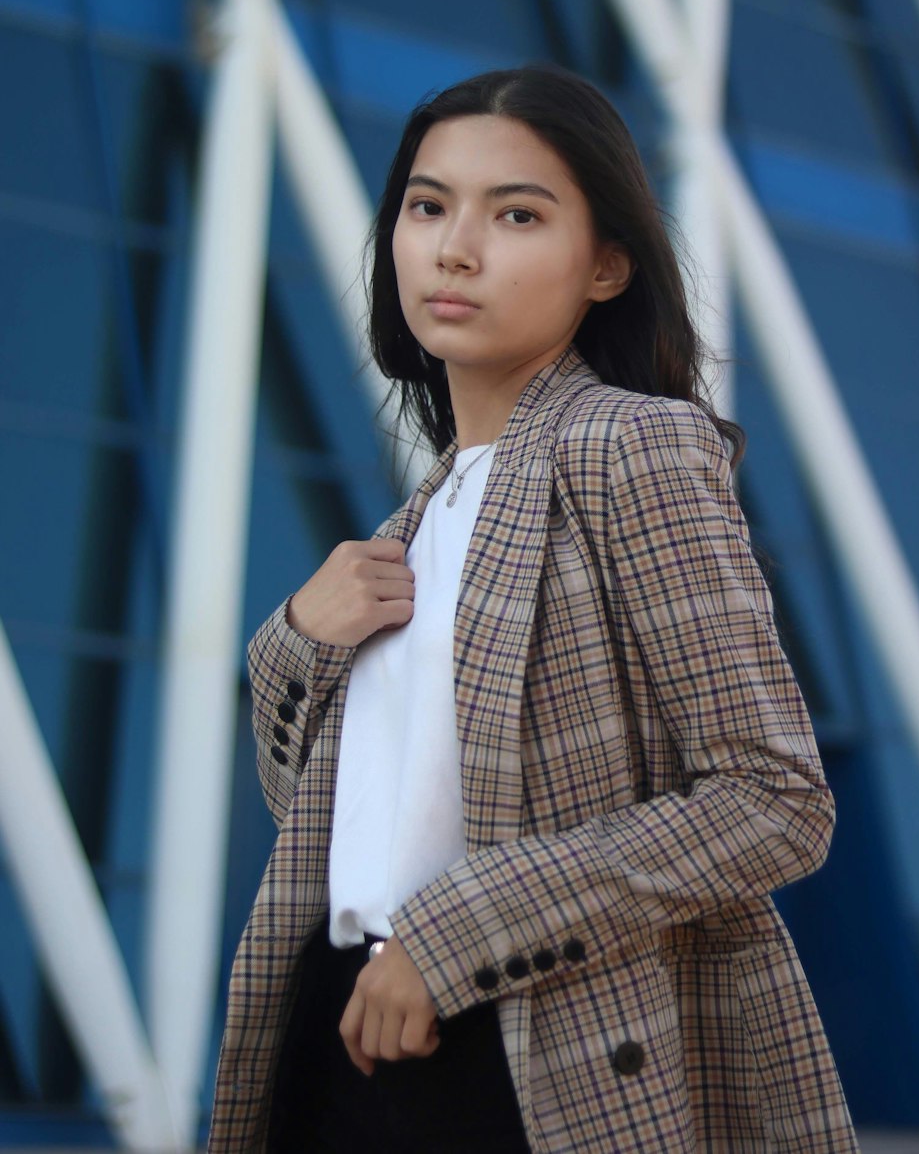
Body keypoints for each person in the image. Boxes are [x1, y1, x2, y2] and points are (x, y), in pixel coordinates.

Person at [207, 64, 860, 1152]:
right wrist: (295, 644)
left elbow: (773, 799)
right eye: (427, 206)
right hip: (339, 1032)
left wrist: (459, 931)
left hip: (536, 1055)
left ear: (605, 265)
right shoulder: (421, 515)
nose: (455, 247)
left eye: (516, 214)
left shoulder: (627, 450)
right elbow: (327, 821)